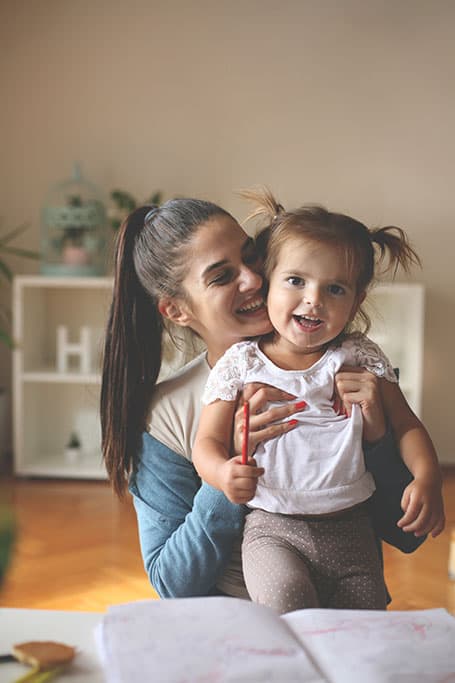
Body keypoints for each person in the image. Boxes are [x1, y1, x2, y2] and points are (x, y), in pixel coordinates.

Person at [100, 197, 426, 601]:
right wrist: (227, 473)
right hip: (239, 628)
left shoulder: (346, 368)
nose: (253, 280)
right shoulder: (166, 416)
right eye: (221, 277)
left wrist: (376, 440)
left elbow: (406, 534)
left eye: (252, 258)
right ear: (177, 311)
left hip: (346, 606)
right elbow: (171, 583)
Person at [193, 189, 445, 613]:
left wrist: (428, 478)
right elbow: (206, 443)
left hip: (351, 531)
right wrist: (221, 473)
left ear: (357, 301)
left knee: (360, 621)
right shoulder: (243, 364)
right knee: (288, 604)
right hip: (273, 530)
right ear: (267, 282)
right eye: (296, 281)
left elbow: (408, 427)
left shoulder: (360, 356)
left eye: (335, 288)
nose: (314, 299)